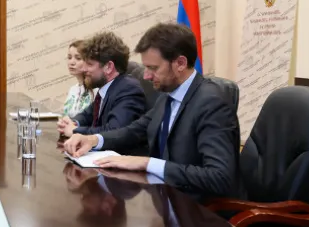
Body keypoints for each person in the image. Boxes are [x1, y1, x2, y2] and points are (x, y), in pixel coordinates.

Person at [64, 23, 239, 197]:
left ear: (180, 63)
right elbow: (135, 130)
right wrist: (93, 140)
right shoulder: (168, 94)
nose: (146, 76)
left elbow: (219, 177)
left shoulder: (212, 103)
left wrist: (148, 163)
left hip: (196, 208)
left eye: (153, 68)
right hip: (163, 196)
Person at [57, 32, 146, 149]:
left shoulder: (128, 90)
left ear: (108, 67)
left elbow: (113, 131)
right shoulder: (106, 88)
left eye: (89, 64)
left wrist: (76, 130)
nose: (83, 69)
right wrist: (73, 122)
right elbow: (87, 114)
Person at [61, 40, 95, 118]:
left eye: (78, 58)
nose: (71, 62)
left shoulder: (96, 89)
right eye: (69, 57)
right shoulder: (72, 90)